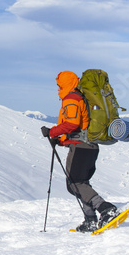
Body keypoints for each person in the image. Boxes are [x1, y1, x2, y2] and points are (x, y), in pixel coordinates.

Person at [41, 71, 119, 232]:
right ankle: (90, 219)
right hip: (89, 146)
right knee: (81, 184)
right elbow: (80, 126)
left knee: (74, 184)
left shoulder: (72, 98)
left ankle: (106, 209)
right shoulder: (80, 97)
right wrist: (62, 141)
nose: (58, 89)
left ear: (66, 83)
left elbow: (72, 124)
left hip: (81, 148)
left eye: (59, 85)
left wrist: (52, 132)